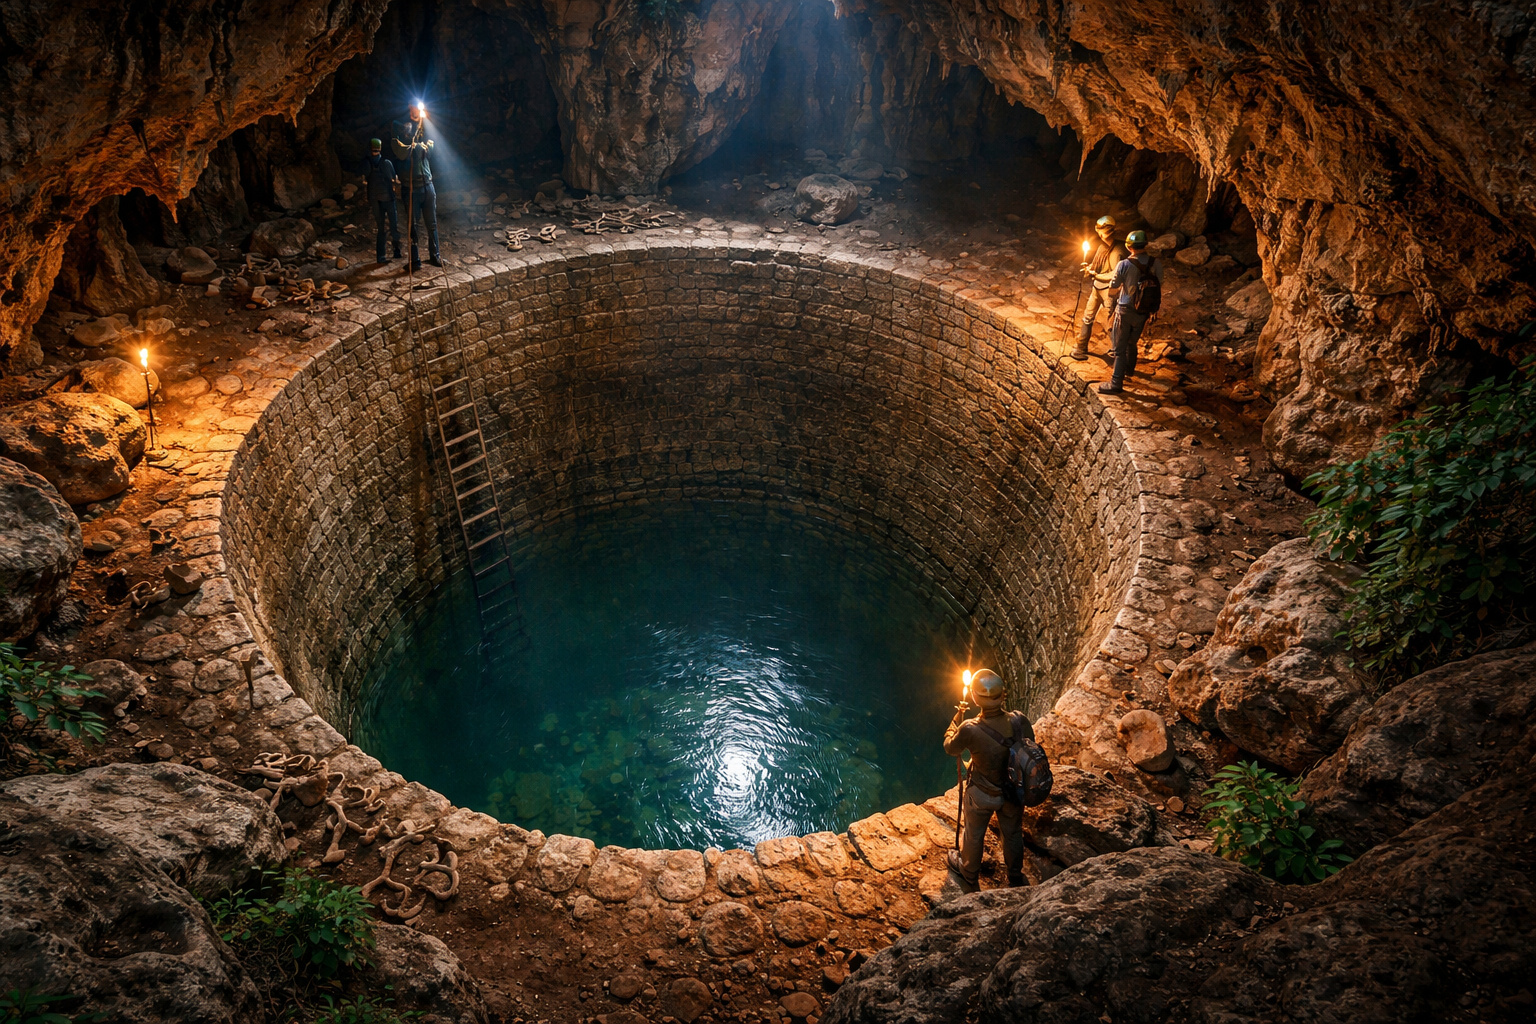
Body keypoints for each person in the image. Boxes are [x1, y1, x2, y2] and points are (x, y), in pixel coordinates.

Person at [943, 668, 1030, 893]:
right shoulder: (1020, 720)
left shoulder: (970, 728)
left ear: (974, 697)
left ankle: (969, 873)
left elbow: (951, 748)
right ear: (1004, 695)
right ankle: (1015, 876)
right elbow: (1028, 746)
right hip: (1012, 792)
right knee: (1012, 832)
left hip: (982, 794)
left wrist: (955, 721)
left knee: (974, 832)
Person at [1098, 229, 1164, 394]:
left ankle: (1116, 384)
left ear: (1129, 247)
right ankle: (1129, 370)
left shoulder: (1124, 264)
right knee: (1132, 342)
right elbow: (1159, 283)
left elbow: (1113, 286)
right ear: (1145, 245)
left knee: (1119, 348)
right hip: (1143, 310)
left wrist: (1111, 304)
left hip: (1125, 308)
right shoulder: (1155, 263)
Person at [393, 103, 441, 269]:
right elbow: (402, 152)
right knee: (413, 226)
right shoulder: (398, 139)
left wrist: (421, 143)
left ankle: (435, 256)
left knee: (432, 223)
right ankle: (415, 261)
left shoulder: (420, 140)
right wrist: (415, 144)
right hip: (411, 189)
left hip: (428, 186)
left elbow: (430, 147)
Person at [1072, 215, 1126, 361]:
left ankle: (1118, 354)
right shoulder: (1103, 247)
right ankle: (1081, 347)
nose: (1100, 235)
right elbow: (1098, 266)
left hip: (1109, 291)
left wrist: (1095, 275)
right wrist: (1090, 269)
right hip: (1097, 288)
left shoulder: (1117, 251)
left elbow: (1115, 275)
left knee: (1110, 323)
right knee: (1088, 316)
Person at [365, 138, 401, 264]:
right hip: (388, 198)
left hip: (374, 199)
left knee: (381, 228)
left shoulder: (367, 164)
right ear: (380, 148)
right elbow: (393, 178)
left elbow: (364, 177)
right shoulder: (386, 163)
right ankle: (397, 251)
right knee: (393, 225)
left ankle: (381, 256)